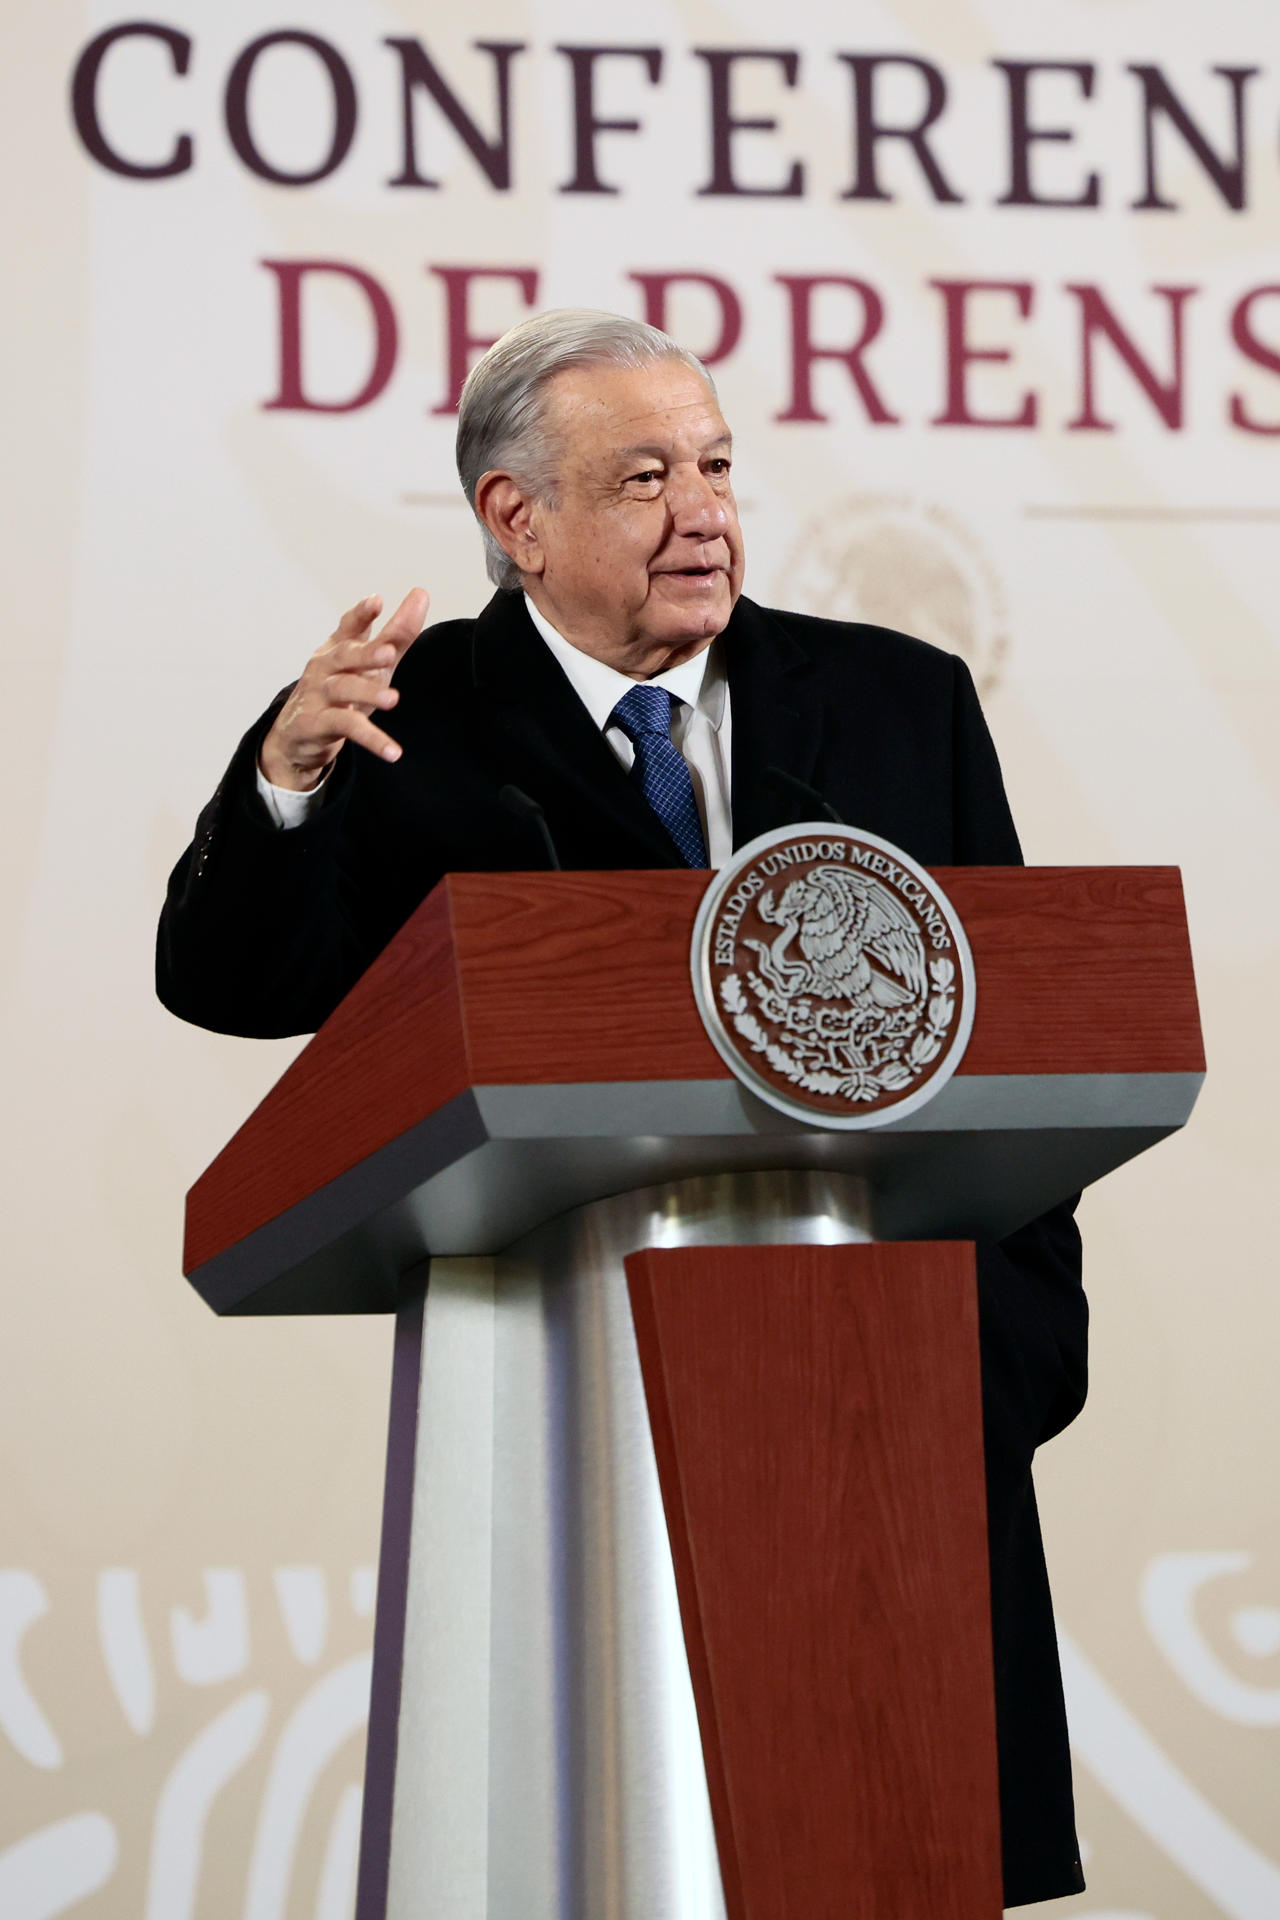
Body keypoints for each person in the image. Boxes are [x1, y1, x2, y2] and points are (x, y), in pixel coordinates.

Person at [157, 309, 1087, 1908]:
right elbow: (239, 976)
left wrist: (997, 1350)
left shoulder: (895, 704)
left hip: (889, 1423)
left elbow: (1001, 1050)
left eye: (716, 465)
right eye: (644, 476)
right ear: (516, 520)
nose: (705, 511)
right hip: (561, 1420)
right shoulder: (413, 715)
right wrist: (288, 783)